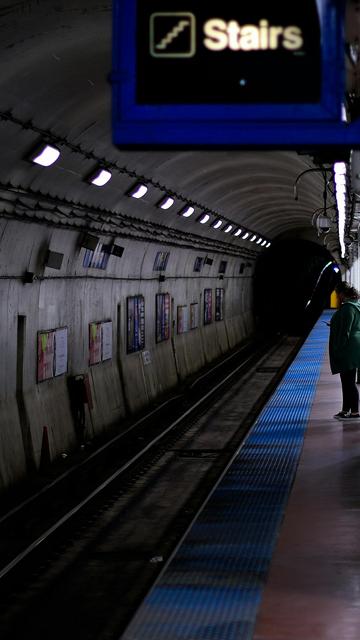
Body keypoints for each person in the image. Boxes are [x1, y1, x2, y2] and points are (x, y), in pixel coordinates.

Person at [329, 281, 360, 420]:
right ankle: (345, 409)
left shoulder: (348, 308)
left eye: (337, 294)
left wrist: (338, 349)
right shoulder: (356, 305)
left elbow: (345, 332)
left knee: (348, 381)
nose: (337, 297)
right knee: (346, 379)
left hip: (348, 348)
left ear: (342, 294)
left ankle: (354, 412)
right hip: (354, 346)